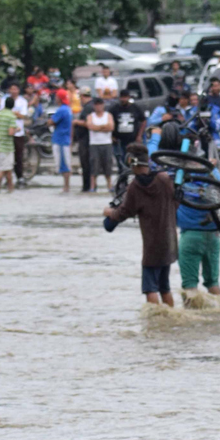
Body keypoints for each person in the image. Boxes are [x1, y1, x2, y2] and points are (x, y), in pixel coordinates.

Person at [102, 147, 178, 307]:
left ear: (131, 162)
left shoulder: (136, 187)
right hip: (170, 241)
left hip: (152, 246)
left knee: (150, 288)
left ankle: (156, 322)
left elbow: (124, 212)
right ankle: (170, 322)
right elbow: (176, 200)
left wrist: (109, 212)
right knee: (165, 287)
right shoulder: (164, 179)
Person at [84, 97, 115, 191]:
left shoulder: (108, 115)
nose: (98, 107)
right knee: (94, 165)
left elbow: (111, 127)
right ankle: (93, 186)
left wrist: (97, 127)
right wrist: (103, 127)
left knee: (108, 164)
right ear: (94, 106)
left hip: (107, 143)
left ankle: (109, 186)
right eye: (96, 105)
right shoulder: (90, 116)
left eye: (100, 105)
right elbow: (90, 126)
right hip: (94, 144)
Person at [49, 90, 75, 191]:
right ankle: (66, 186)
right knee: (65, 162)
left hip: (60, 139)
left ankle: (66, 186)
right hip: (65, 138)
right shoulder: (68, 109)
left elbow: (51, 121)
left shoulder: (61, 110)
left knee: (63, 163)